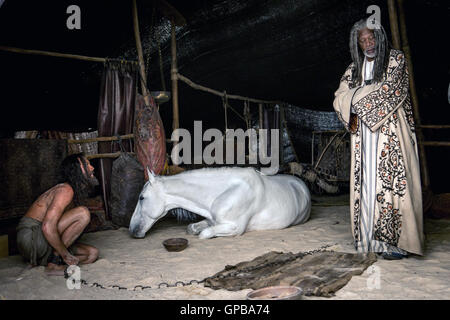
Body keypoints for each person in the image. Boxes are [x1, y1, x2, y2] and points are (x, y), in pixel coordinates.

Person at [333, 18, 424, 259]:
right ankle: (370, 241)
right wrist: (357, 97)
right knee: (367, 185)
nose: (368, 43)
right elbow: (338, 98)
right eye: (362, 41)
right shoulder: (353, 69)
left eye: (371, 38)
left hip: (391, 136)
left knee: (393, 186)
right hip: (363, 138)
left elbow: (390, 91)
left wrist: (354, 99)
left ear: (379, 37)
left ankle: (398, 244)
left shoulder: (395, 60)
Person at [16, 153, 99, 275]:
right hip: (31, 238)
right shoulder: (65, 190)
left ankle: (49, 261)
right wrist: (65, 254)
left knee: (92, 254)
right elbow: (47, 227)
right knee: (83, 213)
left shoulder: (72, 191)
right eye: (87, 164)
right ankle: (54, 263)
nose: (92, 168)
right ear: (76, 169)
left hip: (42, 242)